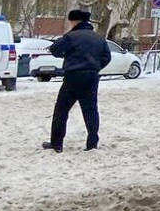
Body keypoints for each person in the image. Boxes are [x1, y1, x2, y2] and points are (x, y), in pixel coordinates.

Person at [43, 9, 111, 153]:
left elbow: (55, 49)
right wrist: (95, 68)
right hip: (91, 78)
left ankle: (57, 144)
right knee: (91, 110)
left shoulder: (71, 36)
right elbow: (107, 57)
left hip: (73, 77)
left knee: (61, 111)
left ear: (75, 21)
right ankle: (92, 143)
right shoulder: (98, 38)